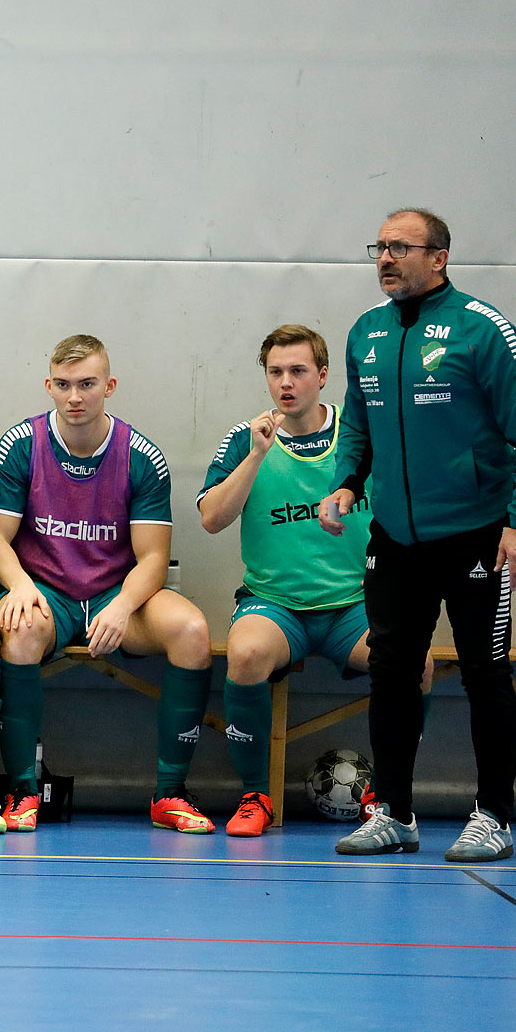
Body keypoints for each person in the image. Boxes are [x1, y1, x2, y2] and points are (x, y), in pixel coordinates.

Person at [322, 208, 516, 861]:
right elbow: (358, 428)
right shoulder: (366, 333)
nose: (386, 258)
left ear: (439, 257)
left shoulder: (484, 330)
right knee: (391, 673)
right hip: (395, 539)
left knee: (485, 671)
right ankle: (392, 812)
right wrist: (347, 485)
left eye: (400, 247)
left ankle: (494, 816)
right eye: (380, 247)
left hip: (479, 534)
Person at [197, 325, 429, 837]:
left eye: (298, 371)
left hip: (355, 606)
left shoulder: (362, 434)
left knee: (417, 662)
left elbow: (411, 499)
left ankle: (389, 796)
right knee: (246, 653)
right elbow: (211, 519)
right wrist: (257, 455)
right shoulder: (247, 438)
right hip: (276, 604)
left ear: (322, 376)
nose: (286, 383)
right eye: (276, 372)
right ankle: (256, 795)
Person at [0, 334, 215, 833]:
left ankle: (170, 794)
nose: (75, 397)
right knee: (20, 632)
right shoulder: (20, 446)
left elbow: (154, 558)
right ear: (48, 386)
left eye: (87, 384)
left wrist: (121, 605)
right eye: (64, 385)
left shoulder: (140, 456)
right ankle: (24, 791)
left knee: (193, 632)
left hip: (118, 595)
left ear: (109, 386)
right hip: (45, 591)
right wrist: (19, 586)